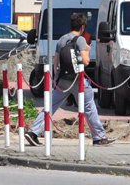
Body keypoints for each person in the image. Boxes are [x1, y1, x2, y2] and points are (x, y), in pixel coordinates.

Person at [26, 13, 114, 147]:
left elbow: (56, 62)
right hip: (77, 81)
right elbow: (85, 62)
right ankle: (98, 137)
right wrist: (88, 51)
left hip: (63, 80)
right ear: (82, 27)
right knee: (89, 107)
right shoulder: (81, 40)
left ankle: (33, 132)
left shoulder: (62, 40)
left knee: (50, 106)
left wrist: (57, 79)